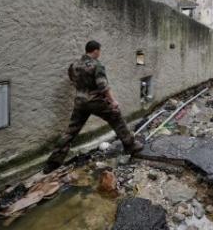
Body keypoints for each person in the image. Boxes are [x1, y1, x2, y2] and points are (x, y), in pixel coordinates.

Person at [43, 40, 143, 173]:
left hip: (80, 102)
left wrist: (82, 89)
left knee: (71, 131)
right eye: (99, 51)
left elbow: (72, 78)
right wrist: (113, 101)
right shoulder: (97, 65)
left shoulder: (74, 65)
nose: (99, 53)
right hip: (96, 102)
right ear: (95, 51)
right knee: (117, 118)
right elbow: (103, 86)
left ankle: (53, 163)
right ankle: (131, 146)